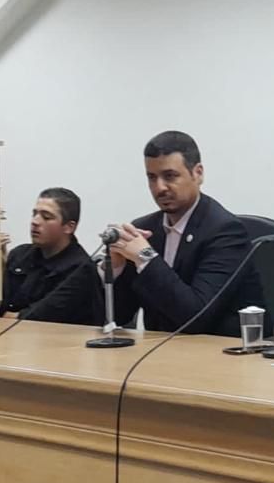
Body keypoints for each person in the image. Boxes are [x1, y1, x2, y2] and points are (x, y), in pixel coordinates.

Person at [108, 131, 263, 336]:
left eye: (170, 176)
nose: (159, 187)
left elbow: (195, 317)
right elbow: (118, 316)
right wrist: (115, 268)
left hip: (218, 349)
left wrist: (145, 257)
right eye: (152, 177)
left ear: (197, 174)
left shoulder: (226, 231)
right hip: (158, 348)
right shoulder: (146, 229)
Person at [0, 188, 103, 325]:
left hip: (59, 337)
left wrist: (13, 316)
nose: (35, 221)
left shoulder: (81, 269)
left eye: (46, 217)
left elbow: (43, 315)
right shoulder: (19, 255)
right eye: (34, 214)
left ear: (69, 227)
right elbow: (0, 306)